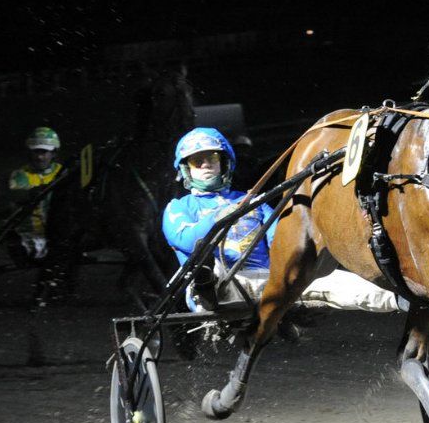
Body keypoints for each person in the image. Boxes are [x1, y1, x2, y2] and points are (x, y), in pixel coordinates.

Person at [161, 127, 401, 321]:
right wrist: (221, 214)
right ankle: (208, 286)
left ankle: (405, 302)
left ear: (224, 163)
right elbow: (188, 241)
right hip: (218, 288)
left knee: (331, 280)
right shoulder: (178, 208)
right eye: (196, 161)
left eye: (211, 158)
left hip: (269, 282)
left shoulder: (255, 203)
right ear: (185, 169)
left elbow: (282, 242)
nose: (205, 165)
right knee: (208, 269)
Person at [7, 126, 62, 262]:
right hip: (29, 236)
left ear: (54, 153)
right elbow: (16, 196)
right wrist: (36, 191)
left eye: (44, 152)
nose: (39, 157)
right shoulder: (20, 175)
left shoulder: (64, 173)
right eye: (36, 151)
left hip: (60, 235)